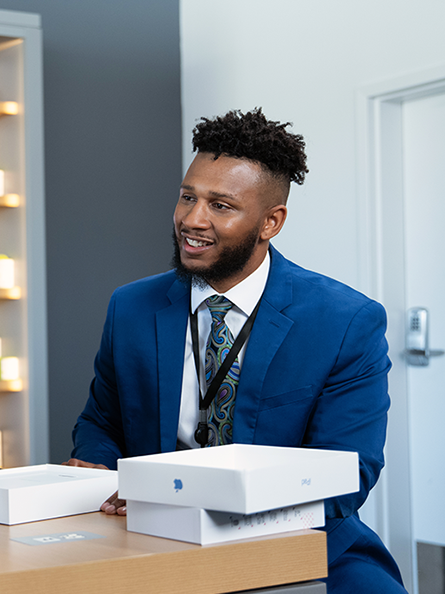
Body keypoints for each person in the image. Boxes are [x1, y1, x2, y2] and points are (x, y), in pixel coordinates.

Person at [66, 108, 405, 593]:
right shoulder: (131, 306)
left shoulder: (346, 320)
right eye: (188, 197)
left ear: (271, 221)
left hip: (300, 539)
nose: (192, 220)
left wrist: (212, 512)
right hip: (149, 534)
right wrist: (98, 468)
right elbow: (102, 421)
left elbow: (349, 469)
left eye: (220, 206)